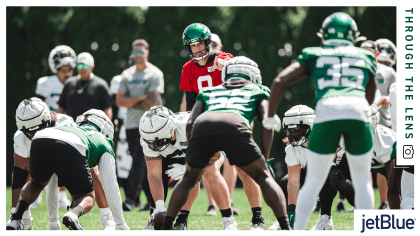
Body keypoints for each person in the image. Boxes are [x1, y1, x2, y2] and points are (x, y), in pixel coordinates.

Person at [263, 12, 377, 230]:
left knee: (314, 180)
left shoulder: (314, 53)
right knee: (363, 181)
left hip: (327, 111)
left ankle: (297, 231)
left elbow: (279, 81)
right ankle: (367, 230)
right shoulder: (365, 56)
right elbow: (369, 96)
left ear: (324, 35)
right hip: (357, 111)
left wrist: (269, 117)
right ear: (353, 35)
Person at [161, 56, 291, 230]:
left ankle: (166, 228)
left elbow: (191, 121)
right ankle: (286, 227)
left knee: (188, 179)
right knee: (263, 177)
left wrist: (193, 155)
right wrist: (264, 159)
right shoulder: (258, 90)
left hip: (203, 125)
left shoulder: (209, 91)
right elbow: (267, 124)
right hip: (234, 123)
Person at [180, 23, 264, 229]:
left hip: (230, 117)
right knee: (201, 170)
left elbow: (233, 66)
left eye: (200, 44)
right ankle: (221, 220)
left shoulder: (223, 58)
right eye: (192, 47)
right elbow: (191, 105)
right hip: (207, 125)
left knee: (245, 170)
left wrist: (225, 64)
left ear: (208, 43)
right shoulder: (187, 70)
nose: (197, 50)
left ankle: (258, 218)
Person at [6, 108, 130, 230]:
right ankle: (73, 214)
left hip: (40, 139)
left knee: (35, 183)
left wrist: (53, 221)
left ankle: (15, 218)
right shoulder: (104, 141)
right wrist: (120, 223)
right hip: (71, 143)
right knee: (88, 197)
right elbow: (111, 185)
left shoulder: (70, 126)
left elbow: (52, 180)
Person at [139, 106, 235, 230]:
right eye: (150, 142)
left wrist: (188, 169)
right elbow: (154, 174)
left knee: (210, 170)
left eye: (158, 142)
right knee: (160, 171)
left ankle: (229, 220)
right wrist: (159, 206)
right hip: (176, 150)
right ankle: (155, 214)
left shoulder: (190, 127)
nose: (153, 146)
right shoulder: (150, 136)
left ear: (171, 131)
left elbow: (215, 155)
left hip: (207, 150)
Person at [7, 97, 75, 230]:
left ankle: (108, 218)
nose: (33, 134)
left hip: (67, 162)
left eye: (36, 128)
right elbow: (20, 177)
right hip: (42, 163)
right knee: (22, 175)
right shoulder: (21, 137)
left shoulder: (66, 125)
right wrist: (16, 213)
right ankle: (22, 219)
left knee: (92, 173)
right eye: (29, 130)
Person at [116, 39, 164, 211]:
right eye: (135, 52)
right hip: (130, 125)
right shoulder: (127, 74)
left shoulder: (155, 73)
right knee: (141, 162)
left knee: (138, 161)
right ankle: (152, 201)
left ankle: (129, 200)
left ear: (147, 52)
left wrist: (130, 101)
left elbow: (151, 103)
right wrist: (140, 98)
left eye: (141, 51)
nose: (138, 55)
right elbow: (119, 100)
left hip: (150, 125)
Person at [198, 32, 240, 217]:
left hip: (229, 117)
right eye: (209, 43)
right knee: (209, 160)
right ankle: (212, 204)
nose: (211, 46)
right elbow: (189, 97)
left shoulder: (229, 63)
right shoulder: (197, 66)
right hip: (207, 119)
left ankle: (228, 201)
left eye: (214, 43)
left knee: (232, 162)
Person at [33, 45, 76, 210]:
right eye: (63, 69)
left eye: (69, 69)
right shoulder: (45, 83)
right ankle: (35, 195)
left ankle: (61, 196)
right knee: (37, 161)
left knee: (63, 162)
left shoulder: (75, 83)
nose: (66, 73)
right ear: (56, 68)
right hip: (44, 126)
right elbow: (37, 105)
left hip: (64, 126)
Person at [269, 105, 317, 230]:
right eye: (291, 131)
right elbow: (294, 181)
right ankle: (283, 218)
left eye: (298, 131)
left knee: (336, 179)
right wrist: (291, 210)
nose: (294, 135)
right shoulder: (292, 149)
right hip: (312, 174)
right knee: (285, 182)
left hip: (335, 174)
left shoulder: (323, 142)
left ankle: (326, 219)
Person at [57, 52, 113, 120]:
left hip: (91, 128)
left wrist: (104, 127)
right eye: (80, 65)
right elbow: (61, 108)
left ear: (92, 67)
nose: (82, 68)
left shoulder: (100, 85)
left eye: (86, 65)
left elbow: (107, 110)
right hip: (70, 127)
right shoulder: (69, 83)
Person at [374, 38, 397, 129]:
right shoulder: (390, 71)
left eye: (385, 63)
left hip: (383, 123)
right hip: (370, 121)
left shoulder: (391, 72)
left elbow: (394, 96)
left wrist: (378, 101)